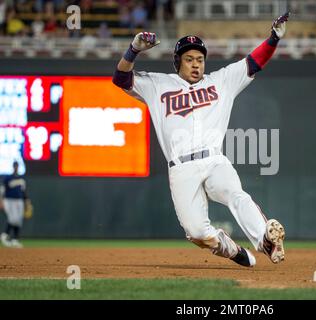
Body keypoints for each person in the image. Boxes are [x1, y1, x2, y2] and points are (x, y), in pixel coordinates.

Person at [112, 13, 290, 267]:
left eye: (200, 59)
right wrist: (133, 51)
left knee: (235, 194)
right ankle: (231, 250)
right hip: (181, 168)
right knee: (196, 232)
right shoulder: (158, 85)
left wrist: (273, 38)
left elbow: (254, 62)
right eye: (189, 59)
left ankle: (266, 239)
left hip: (214, 159)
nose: (196, 64)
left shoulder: (221, 81)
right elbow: (120, 79)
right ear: (178, 62)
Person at [0, 161, 29, 248]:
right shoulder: (8, 178)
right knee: (13, 219)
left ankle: (15, 239)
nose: (16, 167)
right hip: (9, 200)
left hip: (19, 201)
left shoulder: (21, 179)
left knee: (18, 220)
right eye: (15, 166)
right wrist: (1, 201)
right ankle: (5, 234)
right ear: (13, 167)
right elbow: (2, 190)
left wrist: (27, 200)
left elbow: (23, 191)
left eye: (17, 166)